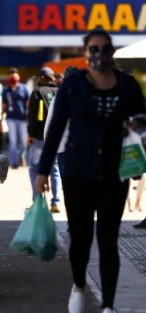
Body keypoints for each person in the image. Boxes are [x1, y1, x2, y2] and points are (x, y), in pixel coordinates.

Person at [35, 29, 146, 313]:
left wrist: (136, 127)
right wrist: (43, 170)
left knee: (108, 240)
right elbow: (56, 126)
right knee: (81, 240)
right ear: (86, 53)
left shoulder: (127, 84)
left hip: (113, 171)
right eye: (93, 49)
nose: (99, 54)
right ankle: (80, 284)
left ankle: (108, 304)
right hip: (77, 170)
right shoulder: (73, 85)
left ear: (111, 50)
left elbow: (144, 116)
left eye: (104, 48)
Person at [27, 67, 60, 213]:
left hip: (40, 136)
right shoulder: (61, 92)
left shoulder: (38, 93)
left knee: (34, 167)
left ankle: (38, 201)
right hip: (57, 137)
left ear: (42, 78)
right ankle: (56, 202)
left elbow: (33, 116)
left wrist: (30, 134)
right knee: (55, 169)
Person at [44, 66, 79, 178]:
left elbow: (49, 125)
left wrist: (48, 149)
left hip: (63, 148)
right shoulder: (87, 96)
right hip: (82, 148)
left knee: (68, 185)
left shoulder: (58, 98)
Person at [2, 67, 30, 168]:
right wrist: (1, 120)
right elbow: (3, 105)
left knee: (24, 141)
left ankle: (21, 155)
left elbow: (29, 102)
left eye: (15, 76)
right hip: (10, 118)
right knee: (12, 141)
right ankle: (14, 162)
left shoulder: (24, 88)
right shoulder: (6, 90)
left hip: (23, 118)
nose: (13, 78)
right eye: (11, 76)